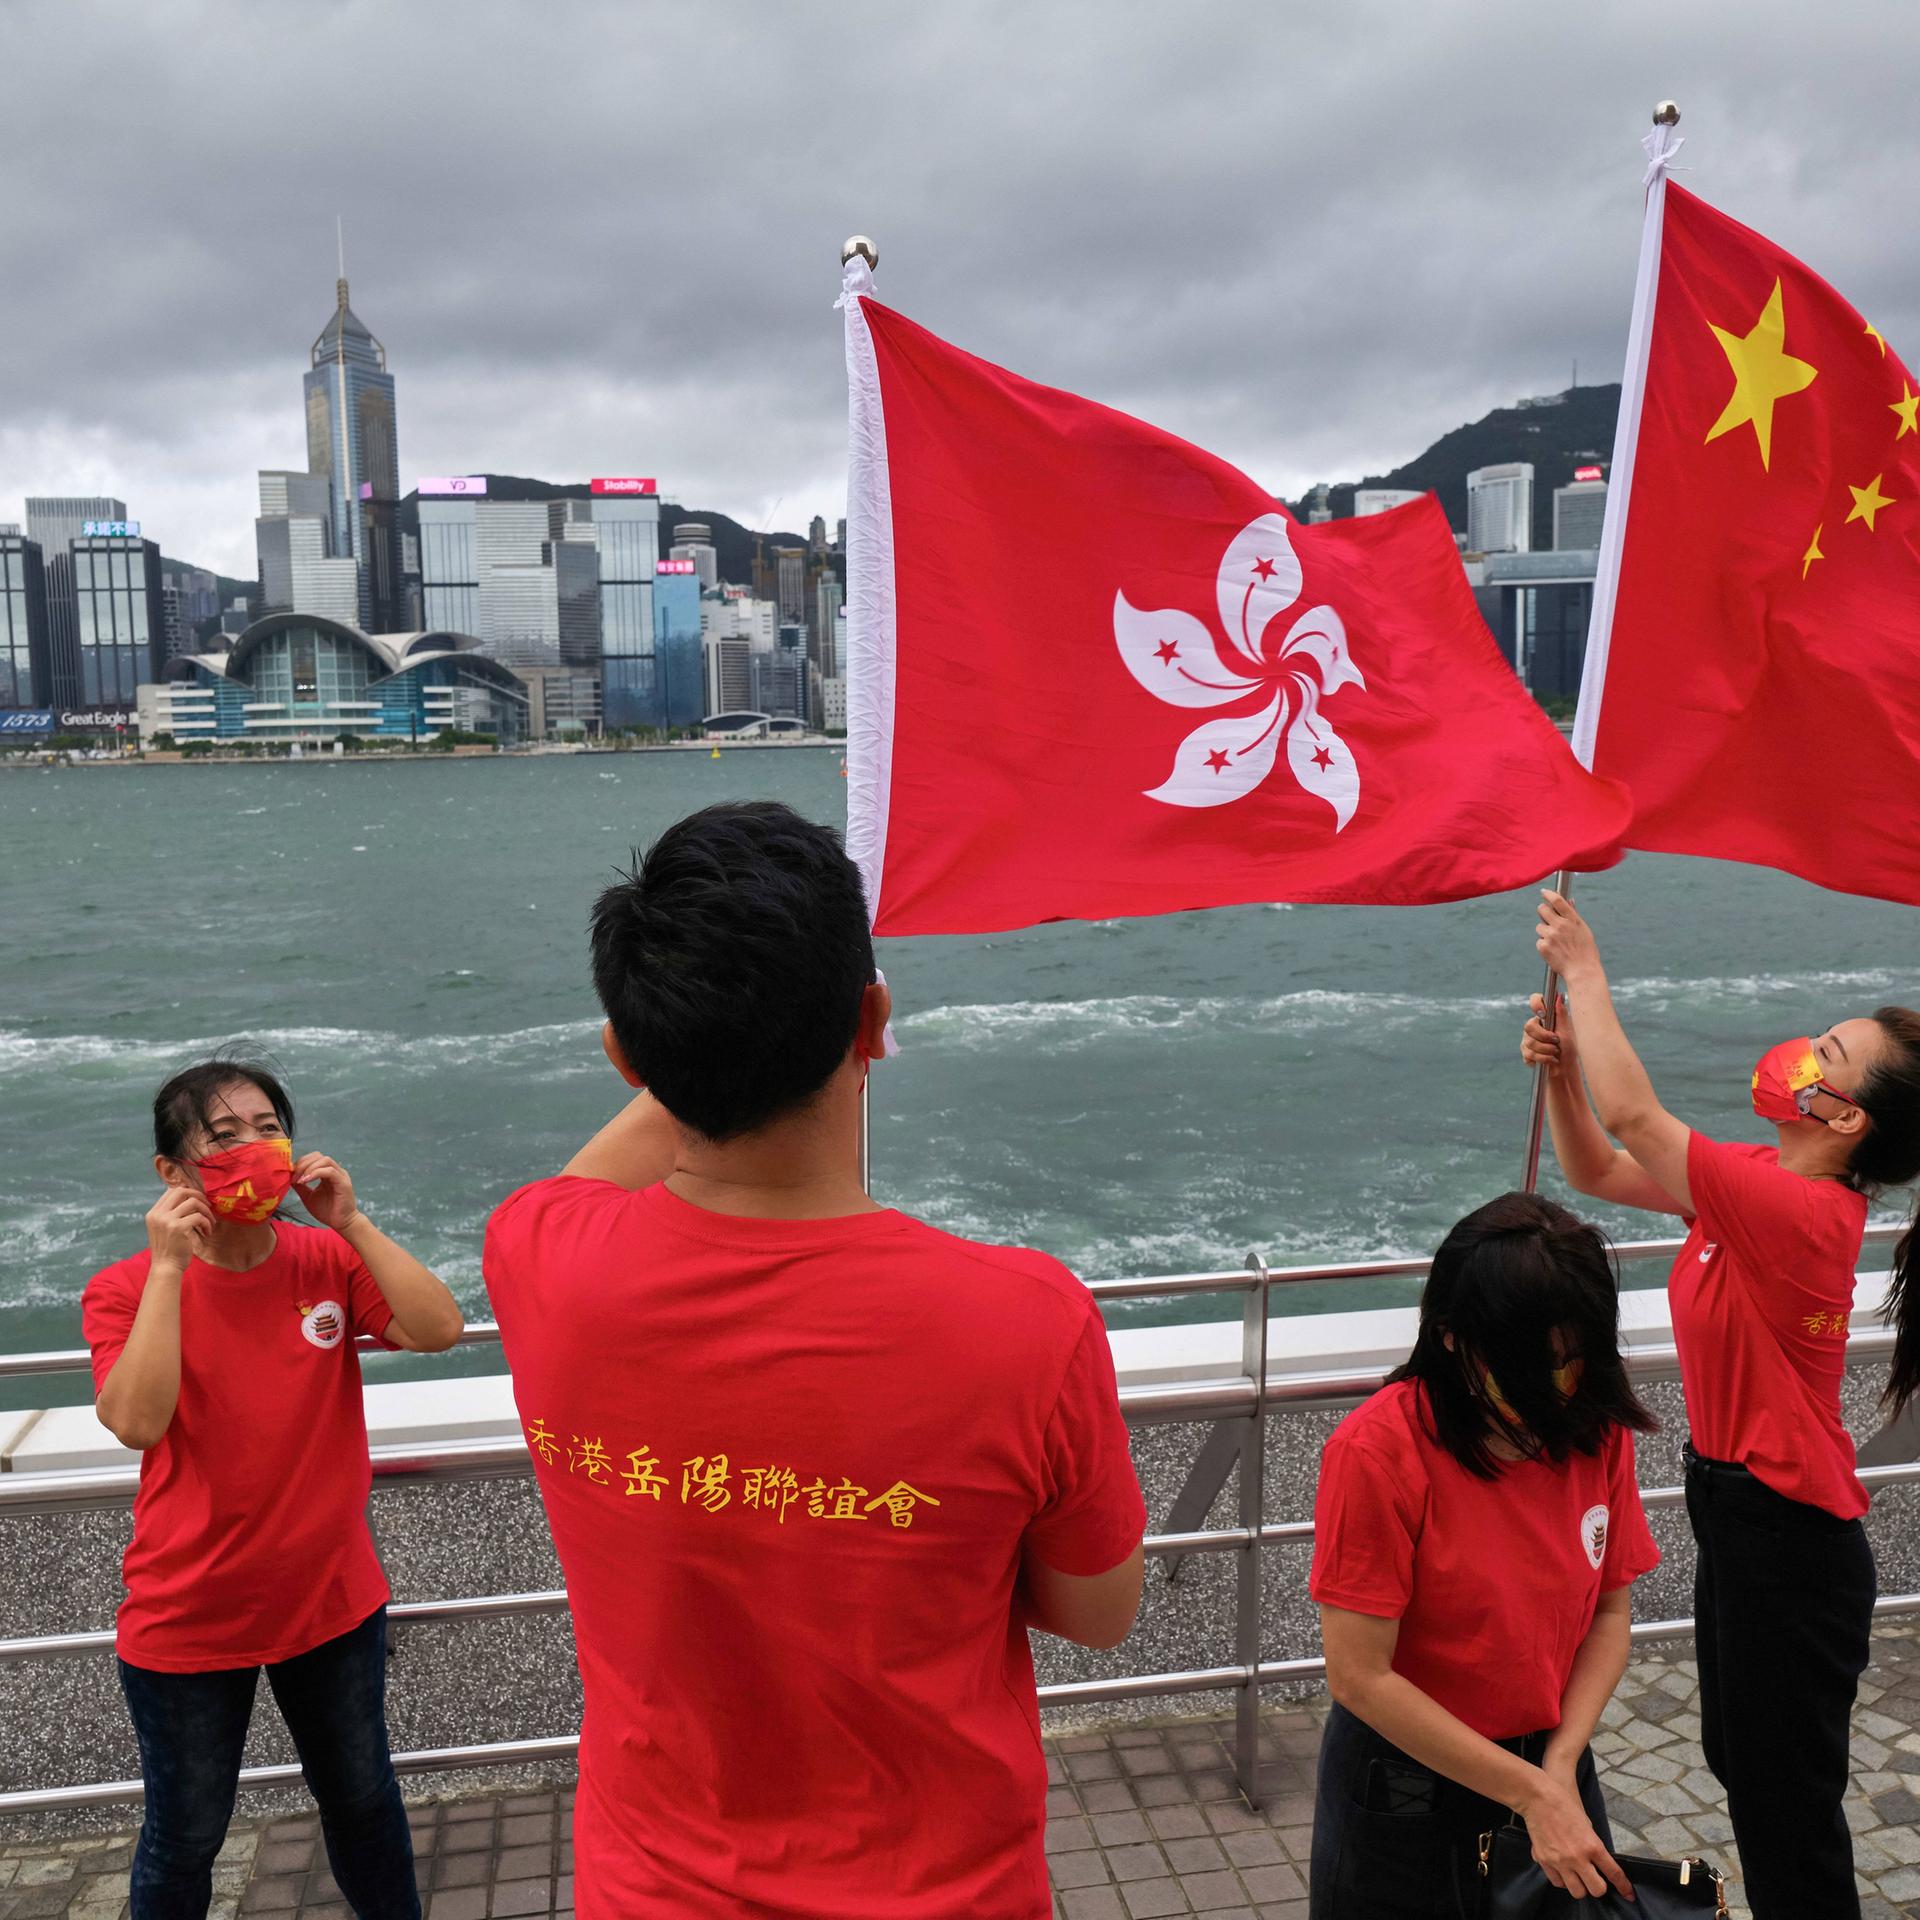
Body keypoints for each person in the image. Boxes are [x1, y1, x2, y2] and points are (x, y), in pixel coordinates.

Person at [484, 801, 1147, 1920]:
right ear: (876, 1021)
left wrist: (698, 1038)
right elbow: (1097, 1612)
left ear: (623, 1058)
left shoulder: (536, 1256)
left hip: (645, 1889)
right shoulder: (1025, 1321)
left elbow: (602, 1166)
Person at [1525, 887, 1920, 1920]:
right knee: (1741, 1763)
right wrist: (1566, 1073)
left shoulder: (1800, 1212)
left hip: (1788, 1533)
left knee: (1785, 1808)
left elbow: (1636, 1117)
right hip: (1737, 1511)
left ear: (1847, 1117)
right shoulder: (1753, 1175)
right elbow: (1600, 1162)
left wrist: (1584, 969)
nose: (1801, 1051)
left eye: (1826, 1053)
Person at [84, 1057, 465, 1920]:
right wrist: (171, 1270)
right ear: (173, 1173)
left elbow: (439, 1327)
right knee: (183, 1840)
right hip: (189, 1612)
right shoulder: (123, 1290)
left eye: (267, 1129)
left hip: (330, 1602)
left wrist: (353, 1222)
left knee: (365, 1804)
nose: (254, 1148)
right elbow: (137, 1421)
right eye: (224, 1138)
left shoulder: (324, 1259)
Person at [1309, 1190, 1661, 1918]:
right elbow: (1360, 1677)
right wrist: (1530, 1792)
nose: (1553, 1392)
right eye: (1524, 1370)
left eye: (1570, 1361)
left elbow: (1610, 1611)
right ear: (1448, 1338)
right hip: (1408, 1784)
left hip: (1554, 1761)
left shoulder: (1596, 1429)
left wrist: (1559, 1767)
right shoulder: (1377, 1452)